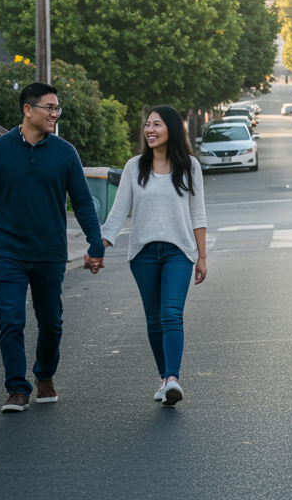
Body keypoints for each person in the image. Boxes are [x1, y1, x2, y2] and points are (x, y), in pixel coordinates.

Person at [0, 82, 105, 414]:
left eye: (57, 108)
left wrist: (95, 244)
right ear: (28, 109)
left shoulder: (65, 152)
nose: (55, 114)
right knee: (10, 319)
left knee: (51, 321)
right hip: (8, 251)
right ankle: (16, 389)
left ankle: (44, 375)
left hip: (50, 252)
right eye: (49, 108)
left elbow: (83, 203)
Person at [100, 106, 207, 407]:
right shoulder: (135, 167)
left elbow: (197, 214)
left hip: (179, 252)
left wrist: (202, 256)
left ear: (171, 129)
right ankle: (163, 379)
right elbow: (118, 211)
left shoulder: (190, 167)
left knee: (171, 314)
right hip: (143, 254)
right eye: (147, 125)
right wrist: (100, 246)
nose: (149, 130)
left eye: (156, 125)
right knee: (154, 319)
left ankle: (173, 378)